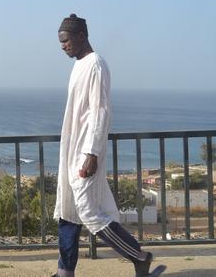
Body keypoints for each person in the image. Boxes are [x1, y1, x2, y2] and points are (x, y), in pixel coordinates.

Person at [53, 14, 164, 277]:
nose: (62, 46)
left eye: (66, 40)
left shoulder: (96, 65)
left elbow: (100, 111)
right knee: (67, 212)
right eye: (60, 41)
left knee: (91, 214)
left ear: (82, 36)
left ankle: (139, 257)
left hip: (84, 154)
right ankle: (64, 272)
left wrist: (91, 153)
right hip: (72, 153)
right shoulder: (79, 64)